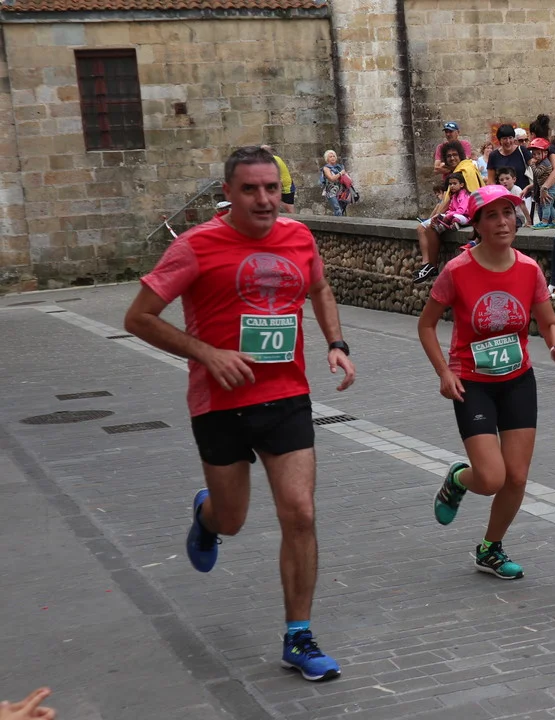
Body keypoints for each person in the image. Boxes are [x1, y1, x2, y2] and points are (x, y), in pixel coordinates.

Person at [123, 146, 357, 682]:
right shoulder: (195, 246)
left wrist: (336, 342)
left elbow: (319, 286)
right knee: (233, 519)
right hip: (220, 403)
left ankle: (299, 635)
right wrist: (207, 353)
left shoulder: (298, 237)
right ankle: (208, 517)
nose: (263, 199)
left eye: (271, 188)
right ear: (227, 193)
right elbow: (138, 317)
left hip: (286, 397)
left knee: (300, 513)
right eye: (250, 189)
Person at [418, 185, 555, 580]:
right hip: (472, 383)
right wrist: (444, 372)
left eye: (508, 213)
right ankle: (458, 479)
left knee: (516, 477)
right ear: (477, 225)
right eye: (492, 215)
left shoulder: (528, 269)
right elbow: (426, 325)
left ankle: (490, 548)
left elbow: (548, 322)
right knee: (490, 478)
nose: (503, 222)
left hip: (518, 379)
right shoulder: (457, 271)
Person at [414, 172, 472, 284]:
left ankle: (432, 265)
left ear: (462, 184)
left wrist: (447, 216)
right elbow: (450, 208)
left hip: (462, 216)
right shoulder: (453, 196)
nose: (452, 186)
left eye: (454, 183)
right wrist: (443, 215)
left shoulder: (464, 195)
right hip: (452, 215)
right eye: (450, 184)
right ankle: (427, 263)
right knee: (426, 226)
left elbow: (462, 210)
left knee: (444, 222)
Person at [524, 138, 555, 229]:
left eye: (538, 154)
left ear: (545, 153)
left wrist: (532, 165)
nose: (536, 156)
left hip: (549, 188)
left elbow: (537, 173)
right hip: (550, 188)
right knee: (550, 205)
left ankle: (544, 222)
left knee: (545, 205)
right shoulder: (541, 162)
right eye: (534, 154)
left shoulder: (545, 163)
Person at [486, 124, 532, 191]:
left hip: (524, 194)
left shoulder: (522, 151)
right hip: (503, 195)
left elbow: (535, 170)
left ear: (514, 139)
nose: (508, 141)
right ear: (500, 140)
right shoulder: (493, 156)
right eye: (505, 138)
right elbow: (491, 181)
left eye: (510, 138)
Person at [262, 145, 295, 213]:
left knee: (289, 209)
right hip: (283, 185)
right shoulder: (271, 159)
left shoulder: (273, 161)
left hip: (286, 187)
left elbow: (278, 179)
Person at [320, 150, 348, 216]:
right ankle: (339, 222)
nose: (333, 158)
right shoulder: (326, 168)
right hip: (331, 192)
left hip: (341, 191)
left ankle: (340, 221)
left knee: (342, 209)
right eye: (330, 157)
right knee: (337, 209)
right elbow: (331, 178)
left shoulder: (339, 167)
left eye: (334, 156)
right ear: (327, 159)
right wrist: (340, 173)